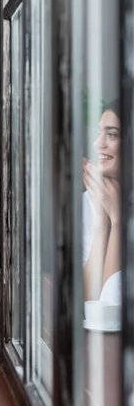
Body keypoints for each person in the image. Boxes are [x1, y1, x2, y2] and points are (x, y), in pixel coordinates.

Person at [83, 100, 121, 303]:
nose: (98, 143)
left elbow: (111, 303)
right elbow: (90, 301)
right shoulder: (87, 203)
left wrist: (117, 219)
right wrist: (103, 222)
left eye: (112, 134)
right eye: (100, 133)